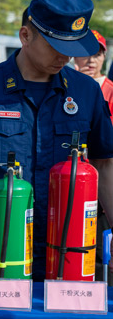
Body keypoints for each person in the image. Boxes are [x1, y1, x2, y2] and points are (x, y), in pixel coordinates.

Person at [0, 0, 113, 281]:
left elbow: (105, 164)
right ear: (25, 35)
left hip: (70, 256)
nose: (66, 58)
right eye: (57, 47)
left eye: (72, 49)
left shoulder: (86, 93)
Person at [74, 29, 113, 284]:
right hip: (71, 182)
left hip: (103, 184)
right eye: (85, 54)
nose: (90, 60)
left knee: (100, 251)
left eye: (97, 54)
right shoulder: (67, 86)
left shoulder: (110, 90)